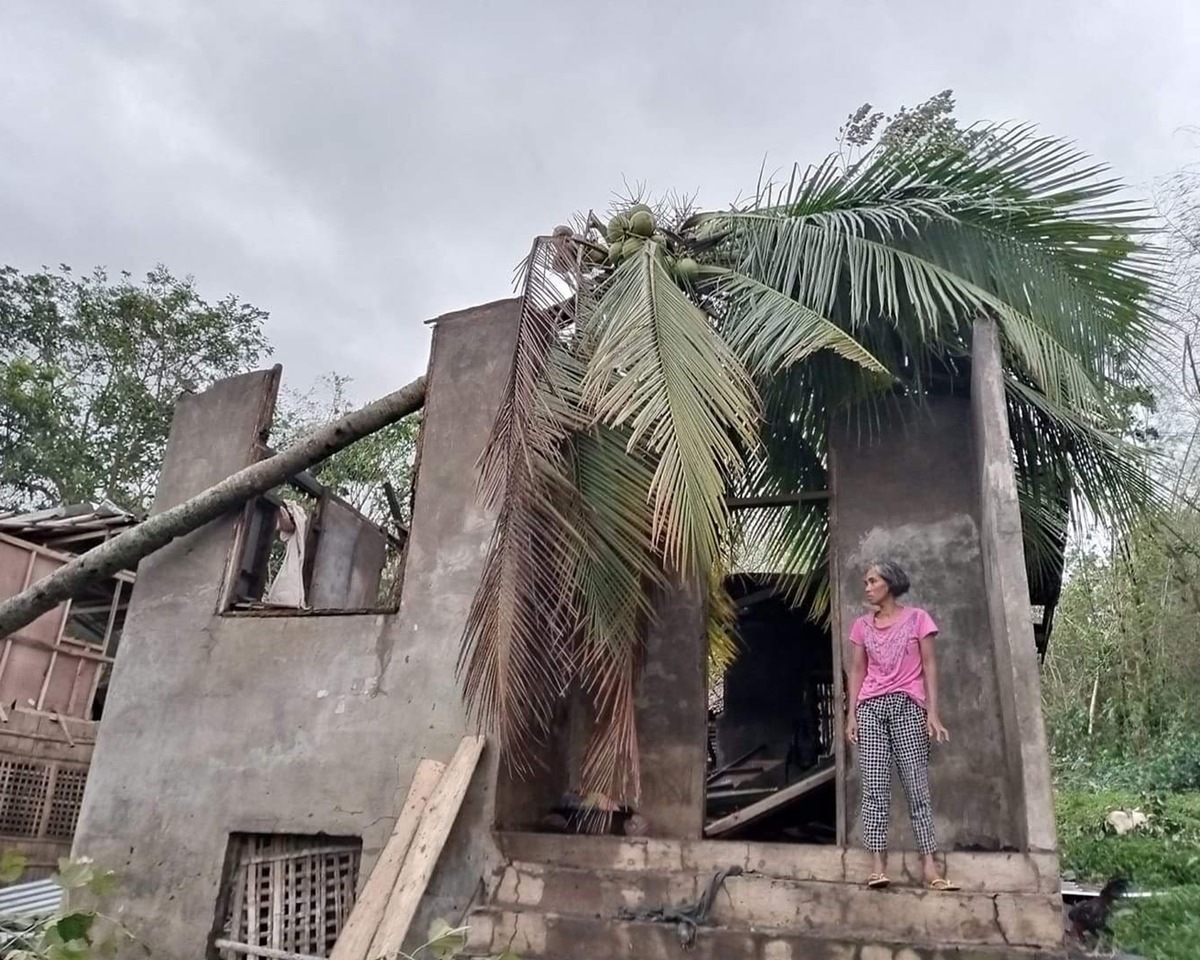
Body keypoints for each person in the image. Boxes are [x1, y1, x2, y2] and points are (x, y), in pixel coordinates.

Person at [845, 559, 959, 891]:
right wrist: (852, 714)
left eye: (872, 581)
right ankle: (878, 866)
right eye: (866, 582)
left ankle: (929, 867)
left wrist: (931, 712)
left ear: (890, 584)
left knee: (917, 788)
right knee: (874, 789)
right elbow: (856, 671)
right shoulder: (861, 627)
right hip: (870, 709)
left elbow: (929, 665)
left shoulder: (918, 620)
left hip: (908, 706)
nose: (867, 588)